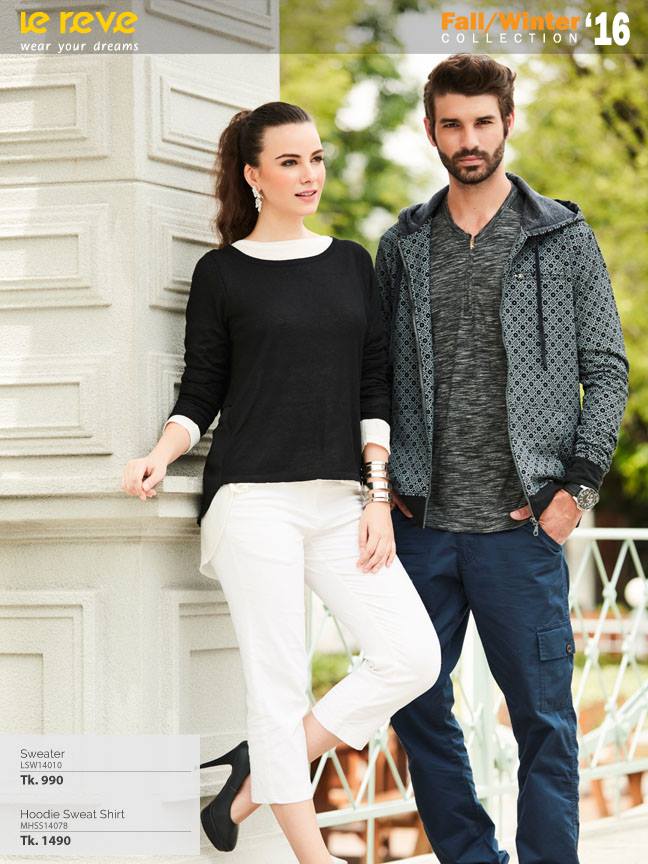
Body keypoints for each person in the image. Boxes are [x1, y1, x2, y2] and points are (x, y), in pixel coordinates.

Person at [121, 101, 440, 864]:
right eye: (290, 161)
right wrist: (160, 453)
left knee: (411, 656)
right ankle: (313, 856)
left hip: (342, 502)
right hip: (252, 502)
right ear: (254, 175)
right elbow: (201, 390)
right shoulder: (222, 273)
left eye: (316, 158)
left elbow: (374, 384)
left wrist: (377, 495)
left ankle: (254, 773)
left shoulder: (350, 263)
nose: (309, 174)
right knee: (279, 684)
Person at [376, 55, 629, 864]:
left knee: (544, 722)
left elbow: (607, 368)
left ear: (507, 123)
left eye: (483, 122)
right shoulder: (403, 245)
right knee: (415, 703)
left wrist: (577, 489)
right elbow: (375, 374)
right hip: (423, 524)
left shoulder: (562, 237)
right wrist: (382, 484)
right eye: (452, 124)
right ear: (431, 131)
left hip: (524, 527)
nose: (469, 139)